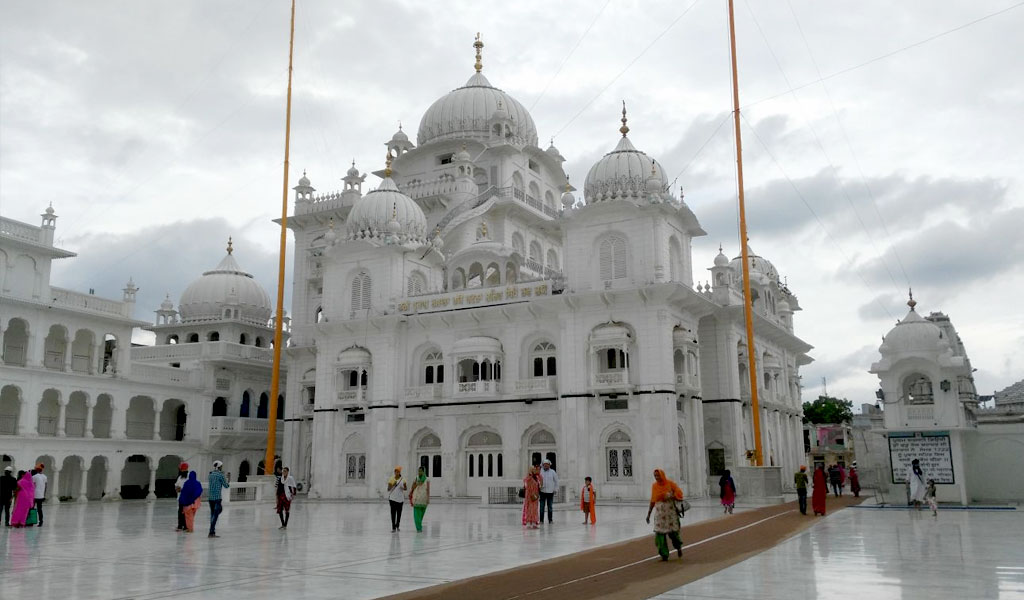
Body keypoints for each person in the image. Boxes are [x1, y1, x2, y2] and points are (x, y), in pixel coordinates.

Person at [645, 469, 684, 561]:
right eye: (655, 476)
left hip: (670, 514)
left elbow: (679, 492)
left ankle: (678, 547)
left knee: (673, 533)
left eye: (658, 475)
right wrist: (648, 514)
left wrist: (673, 495)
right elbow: (653, 500)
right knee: (659, 534)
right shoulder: (654, 486)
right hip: (660, 515)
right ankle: (664, 554)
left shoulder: (670, 484)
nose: (657, 478)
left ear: (662, 475)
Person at [207, 460, 230, 537]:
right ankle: (211, 532)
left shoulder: (210, 474)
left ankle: (212, 530)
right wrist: (228, 479)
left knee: (213, 514)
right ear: (220, 467)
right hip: (217, 498)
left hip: (210, 497)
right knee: (216, 514)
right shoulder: (220, 475)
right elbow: (226, 486)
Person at [409, 466, 430, 533]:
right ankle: (419, 528)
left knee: (421, 514)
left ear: (424, 471)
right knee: (416, 514)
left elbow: (428, 489)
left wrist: (428, 498)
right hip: (417, 497)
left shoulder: (427, 479)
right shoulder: (416, 478)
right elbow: (412, 487)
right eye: (419, 471)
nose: (419, 472)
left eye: (421, 471)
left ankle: (419, 525)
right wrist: (411, 492)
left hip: (423, 498)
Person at [538, 459, 559, 524]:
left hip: (550, 492)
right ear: (543, 465)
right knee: (541, 507)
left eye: (547, 464)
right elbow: (538, 481)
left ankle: (550, 520)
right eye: (544, 464)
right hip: (542, 492)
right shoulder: (540, 472)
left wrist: (555, 489)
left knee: (550, 507)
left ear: (549, 465)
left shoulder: (552, 472)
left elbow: (556, 481)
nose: (546, 466)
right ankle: (541, 520)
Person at [387, 466, 407, 532]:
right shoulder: (391, 479)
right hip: (392, 499)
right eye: (395, 471)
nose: (396, 473)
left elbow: (406, 488)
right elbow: (388, 489)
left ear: (399, 472)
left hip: (400, 499)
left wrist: (402, 487)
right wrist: (393, 484)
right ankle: (393, 527)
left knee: (399, 513)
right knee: (393, 513)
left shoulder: (403, 479)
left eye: (397, 471)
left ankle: (397, 525)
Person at [174, 462, 189, 532]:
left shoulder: (189, 477)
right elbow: (176, 485)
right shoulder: (180, 477)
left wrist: (182, 489)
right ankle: (180, 525)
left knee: (186, 512)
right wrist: (177, 488)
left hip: (187, 498)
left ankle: (186, 526)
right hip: (180, 498)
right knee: (180, 512)